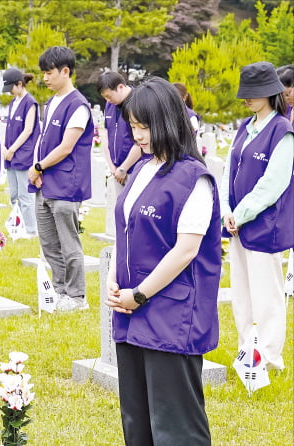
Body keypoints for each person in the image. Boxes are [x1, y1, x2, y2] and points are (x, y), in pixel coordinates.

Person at [106, 77, 221, 445]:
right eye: (134, 126)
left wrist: (138, 294)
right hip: (130, 311)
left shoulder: (194, 178)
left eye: (145, 126)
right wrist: (113, 279)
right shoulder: (142, 169)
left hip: (171, 316)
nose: (138, 135)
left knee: (175, 427)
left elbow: (185, 250)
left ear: (169, 120)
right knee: (137, 420)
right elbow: (123, 226)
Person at [220, 61, 293, 371]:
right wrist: (226, 210)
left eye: (253, 93)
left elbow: (273, 183)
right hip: (236, 224)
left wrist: (242, 213)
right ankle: (247, 352)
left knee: (267, 295)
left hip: (265, 225)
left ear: (270, 93)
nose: (247, 99)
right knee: (242, 292)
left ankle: (269, 357)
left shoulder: (283, 131)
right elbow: (228, 171)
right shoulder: (244, 127)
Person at [28, 46, 93, 312]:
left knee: (68, 243)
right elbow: (42, 139)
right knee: (49, 243)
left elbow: (66, 147)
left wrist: (39, 167)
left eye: (49, 72)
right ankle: (59, 290)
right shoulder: (51, 101)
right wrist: (36, 169)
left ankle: (77, 297)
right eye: (43, 72)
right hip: (44, 182)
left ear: (65, 71)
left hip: (66, 184)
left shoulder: (79, 105)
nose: (45, 77)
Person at [2, 67, 40, 237]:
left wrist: (12, 149)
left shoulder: (29, 102)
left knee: (25, 196)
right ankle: (18, 227)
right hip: (10, 155)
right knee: (14, 194)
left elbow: (28, 129)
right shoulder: (13, 102)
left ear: (19, 84)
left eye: (11, 87)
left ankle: (31, 231)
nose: (9, 91)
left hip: (22, 154)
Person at [97, 71, 142, 191]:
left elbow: (142, 140)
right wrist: (112, 166)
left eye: (109, 96)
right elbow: (107, 133)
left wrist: (124, 168)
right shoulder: (110, 105)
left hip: (136, 169)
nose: (108, 100)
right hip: (116, 171)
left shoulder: (139, 102)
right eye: (105, 97)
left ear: (120, 87)